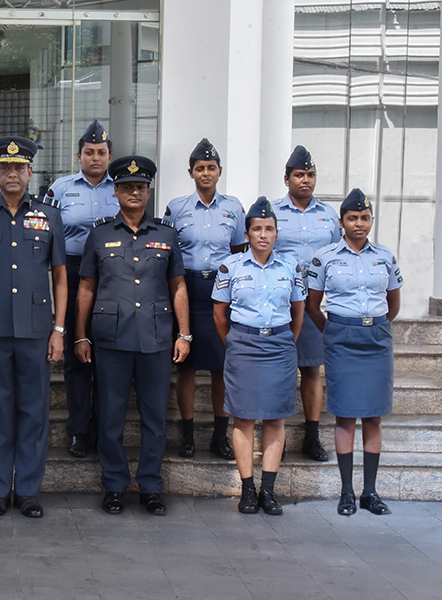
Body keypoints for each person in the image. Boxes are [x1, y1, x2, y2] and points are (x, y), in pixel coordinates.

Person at [75, 155, 191, 516]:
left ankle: (151, 487)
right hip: (111, 339)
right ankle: (114, 486)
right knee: (110, 418)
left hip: (156, 339)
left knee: (154, 418)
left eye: (140, 187)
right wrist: (80, 336)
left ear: (149, 191)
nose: (134, 193)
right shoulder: (100, 235)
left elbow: (178, 287)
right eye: (127, 187)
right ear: (116, 191)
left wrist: (184, 334)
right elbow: (86, 288)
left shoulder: (166, 235)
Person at [0, 136, 67, 518]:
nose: (11, 174)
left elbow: (60, 276)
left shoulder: (50, 215)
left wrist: (59, 329)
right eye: (4, 168)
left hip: (36, 329)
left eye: (18, 167)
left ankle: (27, 490)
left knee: (34, 412)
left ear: (29, 172)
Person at [305, 188, 402, 516]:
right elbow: (312, 305)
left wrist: (372, 326)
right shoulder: (326, 257)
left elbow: (393, 303)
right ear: (342, 222)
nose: (359, 223)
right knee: (345, 415)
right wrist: (335, 330)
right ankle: (347, 493)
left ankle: (370, 493)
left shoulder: (385, 256)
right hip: (341, 338)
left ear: (371, 220)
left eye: (364, 218)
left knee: (373, 416)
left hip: (376, 338)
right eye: (352, 218)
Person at [212, 197, 305, 516]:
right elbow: (220, 315)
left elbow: (298, 311)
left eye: (269, 229)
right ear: (247, 233)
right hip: (243, 345)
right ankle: (247, 490)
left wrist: (284, 342)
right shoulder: (230, 266)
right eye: (256, 229)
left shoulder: (291, 267)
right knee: (244, 418)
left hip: (279, 346)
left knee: (276, 418)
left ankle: (268, 491)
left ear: (277, 233)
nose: (263, 234)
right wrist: (237, 343)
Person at [162, 138, 245, 460]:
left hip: (221, 293)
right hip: (188, 289)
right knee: (185, 366)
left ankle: (220, 435)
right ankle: (187, 434)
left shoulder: (233, 208)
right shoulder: (176, 208)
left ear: (219, 171)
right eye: (200, 168)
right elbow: (168, 252)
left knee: (220, 367)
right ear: (191, 172)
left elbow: (239, 251)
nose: (206, 173)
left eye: (211, 168)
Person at [46, 119, 115, 458]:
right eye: (89, 152)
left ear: (109, 155)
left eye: (101, 152)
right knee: (77, 354)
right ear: (79, 155)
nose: (95, 158)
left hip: (112, 275)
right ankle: (77, 431)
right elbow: (49, 233)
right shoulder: (60, 188)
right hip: (72, 273)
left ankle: (103, 429)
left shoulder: (121, 187)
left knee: (106, 354)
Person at [273, 145, 340, 461]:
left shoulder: (328, 216)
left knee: (312, 369)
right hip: (277, 304)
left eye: (310, 174)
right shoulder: (272, 213)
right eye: (299, 174)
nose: (306, 180)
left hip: (313, 306)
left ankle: (312, 437)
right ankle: (278, 437)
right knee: (280, 370)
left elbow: (339, 260)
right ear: (286, 179)